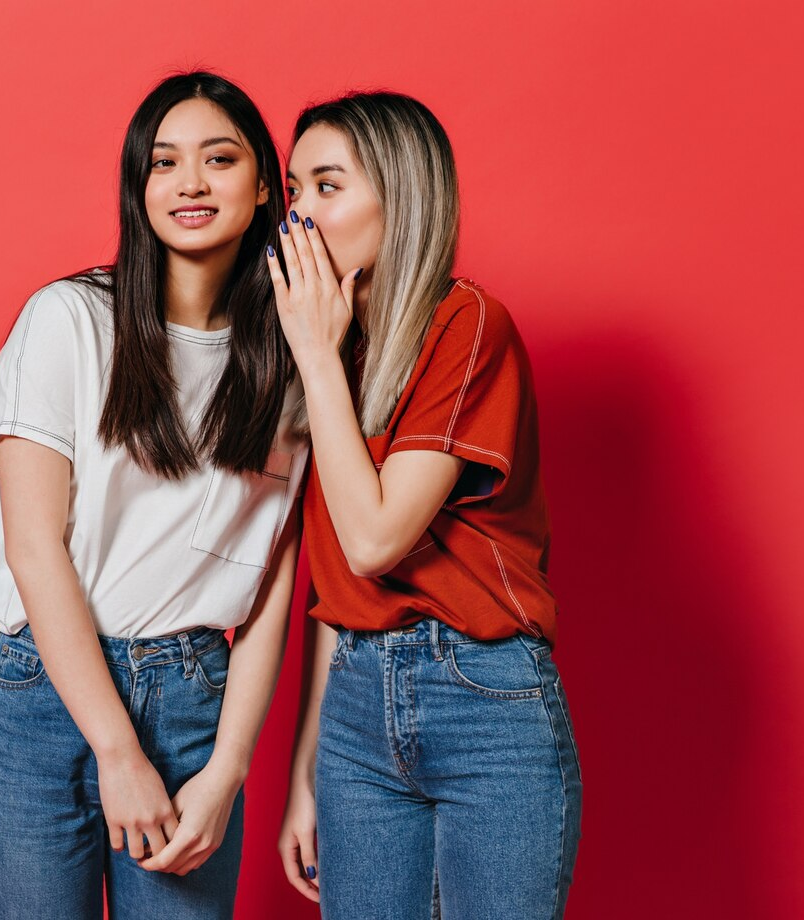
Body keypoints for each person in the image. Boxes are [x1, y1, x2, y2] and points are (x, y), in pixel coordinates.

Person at [0, 71, 307, 920]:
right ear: (137, 187)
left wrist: (227, 769)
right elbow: (35, 549)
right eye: (163, 163)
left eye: (219, 160)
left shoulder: (293, 363)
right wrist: (116, 749)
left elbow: (273, 577)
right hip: (42, 699)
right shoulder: (68, 320)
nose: (189, 183)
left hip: (194, 704)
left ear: (263, 186)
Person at [270, 91, 583, 919]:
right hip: (354, 714)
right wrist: (307, 770)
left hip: (483, 701)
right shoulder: (333, 353)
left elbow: (375, 539)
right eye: (294, 190)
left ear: (399, 198)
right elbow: (336, 585)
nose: (297, 216)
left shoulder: (466, 323)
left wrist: (314, 356)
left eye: (326, 187)